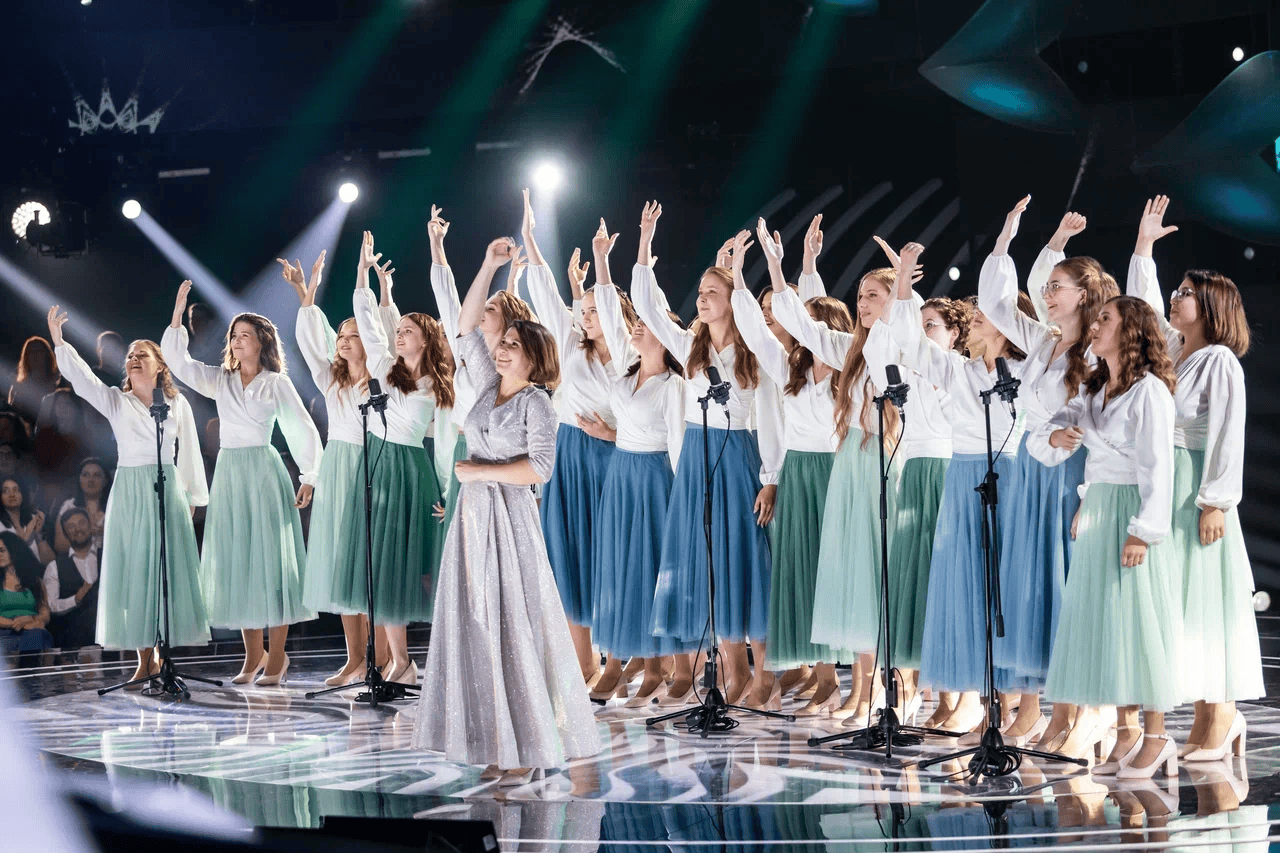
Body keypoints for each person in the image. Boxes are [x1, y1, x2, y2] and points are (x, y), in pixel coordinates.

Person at [412, 236, 601, 786]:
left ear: (533, 356)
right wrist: (489, 264)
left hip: (510, 519)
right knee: (476, 623)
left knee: (512, 624)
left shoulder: (536, 402)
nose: (501, 349)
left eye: (513, 345)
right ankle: (492, 742)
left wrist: (481, 473)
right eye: (504, 342)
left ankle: (525, 746)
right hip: (472, 519)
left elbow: (540, 468)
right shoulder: (486, 385)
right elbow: (465, 328)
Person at [876, 241, 1037, 734]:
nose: (976, 322)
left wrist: (1007, 246)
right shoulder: (960, 371)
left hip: (1010, 477)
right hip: (964, 481)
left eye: (986, 317)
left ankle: (1026, 705)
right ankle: (988, 703)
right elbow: (911, 344)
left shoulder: (1027, 371)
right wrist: (904, 284)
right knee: (969, 590)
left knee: (1007, 589)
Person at [1126, 194, 1264, 763]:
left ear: (1210, 306)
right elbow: (1143, 307)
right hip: (1171, 488)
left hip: (1197, 490)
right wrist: (1143, 246)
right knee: (1182, 604)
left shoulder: (1219, 360)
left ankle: (1222, 714)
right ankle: (1208, 715)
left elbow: (1229, 432)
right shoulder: (1174, 353)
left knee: (1209, 602)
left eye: (1185, 292)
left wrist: (1216, 501)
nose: (1176, 298)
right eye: (1178, 290)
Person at [977, 197, 1118, 747]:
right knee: (1035, 588)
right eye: (1047, 286)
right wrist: (1009, 236)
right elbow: (996, 300)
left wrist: (1073, 456)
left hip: (1071, 476)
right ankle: (1047, 709)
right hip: (1032, 471)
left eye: (1057, 287)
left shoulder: (1097, 352)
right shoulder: (1043, 339)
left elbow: (1100, 422)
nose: (1047, 294)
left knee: (1066, 586)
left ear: (1083, 295)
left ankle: (1080, 711)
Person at [632, 204, 783, 706]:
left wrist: (770, 477)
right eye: (700, 292)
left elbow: (770, 416)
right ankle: (734, 674)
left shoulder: (753, 352)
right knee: (707, 563)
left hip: (737, 456)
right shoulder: (690, 348)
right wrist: (645, 242)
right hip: (696, 462)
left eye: (712, 292)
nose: (701, 298)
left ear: (733, 302)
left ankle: (765, 675)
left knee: (743, 561)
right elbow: (648, 305)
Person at [1031, 294, 1181, 775]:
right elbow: (1051, 432)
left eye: (1105, 319)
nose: (1094, 325)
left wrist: (1144, 531)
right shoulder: (1093, 389)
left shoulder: (1150, 391)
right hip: (1099, 508)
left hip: (1131, 509)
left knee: (1137, 617)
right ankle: (1125, 729)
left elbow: (1159, 466)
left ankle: (1157, 734)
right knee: (1107, 619)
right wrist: (1056, 439)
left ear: (1130, 330)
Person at [163, 283, 321, 685]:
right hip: (231, 474)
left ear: (261, 342)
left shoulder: (275, 382)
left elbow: (301, 427)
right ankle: (253, 655)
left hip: (263, 472)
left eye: (244, 335)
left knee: (271, 563)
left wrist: (309, 476)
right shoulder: (222, 380)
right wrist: (178, 314)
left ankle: (277, 656)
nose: (236, 341)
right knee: (239, 562)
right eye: (233, 335)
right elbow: (180, 364)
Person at [728, 215, 853, 713]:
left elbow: (809, 310)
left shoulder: (848, 369)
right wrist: (740, 274)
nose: (803, 331)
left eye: (813, 325)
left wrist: (805, 265)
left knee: (836, 572)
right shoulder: (789, 368)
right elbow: (756, 329)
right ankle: (824, 678)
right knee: (803, 572)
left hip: (836, 472)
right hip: (799, 473)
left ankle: (852, 680)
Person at [48, 308, 210, 684]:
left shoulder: (176, 403)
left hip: (166, 487)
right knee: (135, 571)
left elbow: (189, 450)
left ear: (159, 365)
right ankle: (143, 658)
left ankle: (164, 656)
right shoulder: (116, 401)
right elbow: (84, 380)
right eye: (130, 356)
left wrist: (191, 496)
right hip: (130, 490)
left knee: (165, 572)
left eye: (142, 354)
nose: (134, 359)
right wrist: (60, 342)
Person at [524, 198, 636, 699]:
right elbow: (548, 297)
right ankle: (580, 660)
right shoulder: (572, 345)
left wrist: (602, 261)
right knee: (569, 552)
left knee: (609, 554)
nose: (586, 317)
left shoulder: (631, 354)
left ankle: (616, 661)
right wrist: (531, 239)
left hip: (613, 457)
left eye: (594, 310)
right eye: (583, 311)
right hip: (569, 455)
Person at [342, 232, 455, 685]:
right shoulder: (386, 368)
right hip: (377, 465)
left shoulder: (438, 385)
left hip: (410, 470)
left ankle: (423, 658)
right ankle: (399, 661)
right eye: (399, 329)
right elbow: (367, 321)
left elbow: (444, 441)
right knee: (381, 565)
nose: (399, 334)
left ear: (425, 340)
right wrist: (362, 273)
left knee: (409, 566)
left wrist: (447, 489)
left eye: (407, 330)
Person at [283, 253, 375, 686]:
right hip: (339, 466)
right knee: (342, 563)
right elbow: (309, 342)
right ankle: (354, 659)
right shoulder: (332, 380)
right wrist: (308, 293)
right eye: (340, 335)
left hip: (372, 464)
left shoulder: (384, 378)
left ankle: (380, 657)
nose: (343, 340)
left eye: (353, 335)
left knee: (369, 563)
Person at [427, 204, 534, 534]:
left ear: (507, 319)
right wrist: (437, 244)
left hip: (499, 453)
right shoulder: (466, 348)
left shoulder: (514, 363)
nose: (481, 311)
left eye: (491, 308)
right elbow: (447, 297)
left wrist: (512, 280)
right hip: (462, 446)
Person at [42, 507, 98, 650]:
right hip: (72, 644)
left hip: (110, 641)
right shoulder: (54, 566)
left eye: (82, 523)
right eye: (71, 526)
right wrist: (75, 600)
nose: (78, 529)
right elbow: (51, 605)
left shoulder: (109, 558)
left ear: (90, 525)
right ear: (65, 533)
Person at [0, 531, 53, 659]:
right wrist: (17, 623)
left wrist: (34, 620)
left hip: (32, 629)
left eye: (2, 550)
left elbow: (45, 612)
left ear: (14, 550)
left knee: (36, 635)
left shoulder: (35, 581)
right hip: (4, 632)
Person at [51, 458, 110, 554]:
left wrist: (107, 534)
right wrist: (85, 535)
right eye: (85, 475)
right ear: (79, 479)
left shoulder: (114, 508)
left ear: (105, 480)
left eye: (97, 475)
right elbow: (60, 547)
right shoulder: (68, 507)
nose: (91, 480)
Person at [8, 337, 62, 428]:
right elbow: (13, 417)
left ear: (46, 354)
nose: (35, 355)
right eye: (31, 352)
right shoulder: (18, 387)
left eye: (39, 351)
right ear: (25, 356)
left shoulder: (58, 383)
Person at [0, 476, 54, 565]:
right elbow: (6, 561)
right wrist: (28, 533)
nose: (12, 494)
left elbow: (50, 563)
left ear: (23, 494)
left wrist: (39, 535)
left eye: (16, 490)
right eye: (6, 491)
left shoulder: (33, 519)